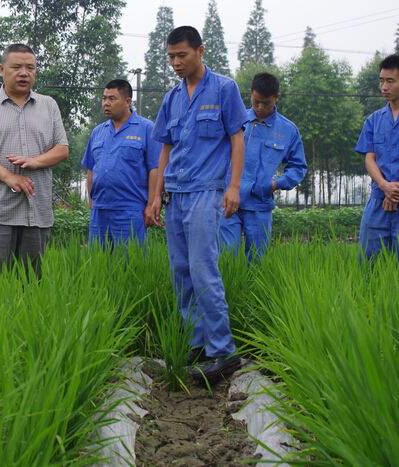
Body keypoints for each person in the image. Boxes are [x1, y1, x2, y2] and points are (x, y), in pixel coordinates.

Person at [149, 26, 247, 381]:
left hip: (207, 192)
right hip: (174, 193)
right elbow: (165, 148)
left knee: (204, 270)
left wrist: (233, 186)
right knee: (181, 273)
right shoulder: (172, 98)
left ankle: (223, 352)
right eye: (171, 57)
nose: (176, 63)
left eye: (182, 55)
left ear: (200, 51)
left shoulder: (224, 89)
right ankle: (197, 343)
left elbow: (237, 139)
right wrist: (157, 195)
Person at [0, 44, 69, 278]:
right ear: (1, 69)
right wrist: (8, 176)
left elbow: (62, 149)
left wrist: (35, 161)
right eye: (16, 67)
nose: (24, 73)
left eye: (30, 68)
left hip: (36, 210)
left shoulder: (48, 105)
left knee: (31, 285)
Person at [219, 73, 307, 262]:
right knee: (227, 258)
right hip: (228, 200)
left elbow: (298, 167)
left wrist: (274, 184)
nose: (260, 107)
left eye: (266, 103)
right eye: (256, 101)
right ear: (250, 94)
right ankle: (229, 292)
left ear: (277, 97)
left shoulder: (288, 130)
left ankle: (253, 292)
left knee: (257, 261)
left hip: (260, 203)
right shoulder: (235, 121)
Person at [81, 79, 162, 249]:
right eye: (104, 98)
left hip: (131, 210)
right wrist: (91, 202)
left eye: (112, 98)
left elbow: (155, 169)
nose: (106, 103)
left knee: (131, 265)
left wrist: (150, 205)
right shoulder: (98, 132)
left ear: (127, 102)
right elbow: (91, 169)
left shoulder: (146, 129)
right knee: (99, 265)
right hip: (100, 210)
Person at [356, 54, 399, 262]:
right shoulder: (373, 121)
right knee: (369, 267)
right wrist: (385, 186)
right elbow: (369, 159)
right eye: (381, 81)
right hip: (378, 201)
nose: (384, 86)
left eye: (390, 81)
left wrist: (395, 191)